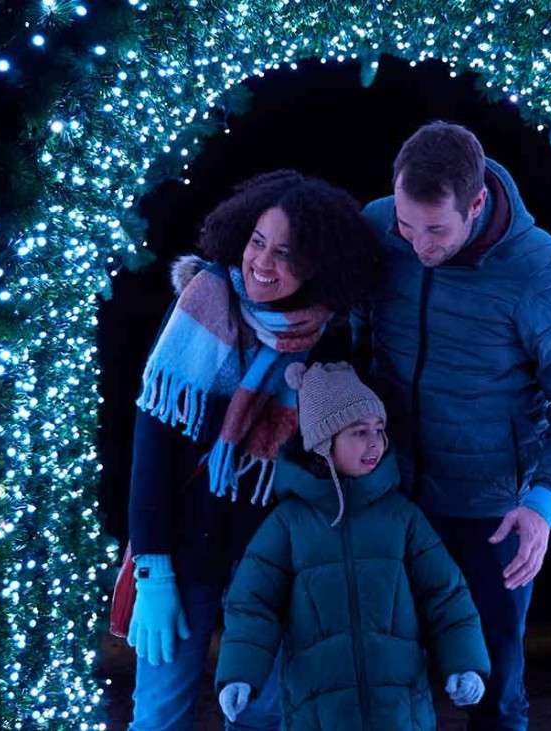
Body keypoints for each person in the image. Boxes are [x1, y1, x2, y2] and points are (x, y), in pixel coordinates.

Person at [359, 122, 551, 729]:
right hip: (391, 491)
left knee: (494, 687)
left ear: (475, 204)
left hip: (491, 510)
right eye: (407, 224)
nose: (418, 243)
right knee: (385, 679)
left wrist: (544, 503)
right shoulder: (377, 227)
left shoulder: (537, 271)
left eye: (436, 229)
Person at [126, 170, 379, 730]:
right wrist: (154, 572)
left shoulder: (329, 340)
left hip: (269, 566)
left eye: (285, 253)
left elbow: (330, 473)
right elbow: (152, 452)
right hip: (183, 552)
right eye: (257, 242)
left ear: (319, 264)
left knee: (264, 718)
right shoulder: (198, 308)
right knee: (158, 717)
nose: (262, 263)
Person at [215, 361, 491, 729]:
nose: (374, 442)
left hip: (399, 711)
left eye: (378, 429)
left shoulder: (403, 519)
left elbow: (446, 594)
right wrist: (240, 674)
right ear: (323, 444)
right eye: (359, 432)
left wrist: (465, 663)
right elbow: (253, 604)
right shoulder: (288, 524)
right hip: (319, 714)